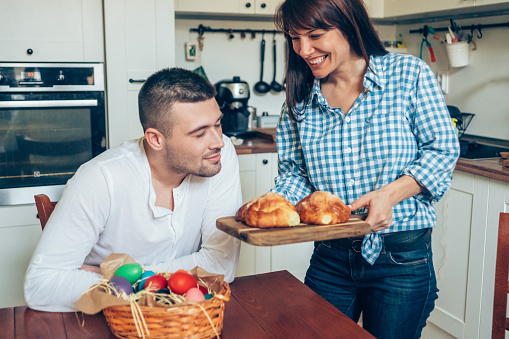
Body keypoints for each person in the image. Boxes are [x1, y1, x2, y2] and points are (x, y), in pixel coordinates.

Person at [271, 1, 460, 338]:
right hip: (331, 256)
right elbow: (293, 173)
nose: (303, 50)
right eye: (294, 38)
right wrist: (275, 204)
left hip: (401, 259)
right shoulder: (298, 99)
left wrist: (390, 195)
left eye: (315, 35)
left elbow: (442, 149)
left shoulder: (408, 75)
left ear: (348, 24)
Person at [24, 67, 242, 312]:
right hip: (110, 322)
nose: (218, 141)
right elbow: (40, 285)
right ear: (156, 139)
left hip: (182, 323)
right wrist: (152, 280)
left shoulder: (219, 156)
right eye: (200, 133)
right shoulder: (101, 178)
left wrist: (120, 275)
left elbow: (221, 266)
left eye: (218, 124)